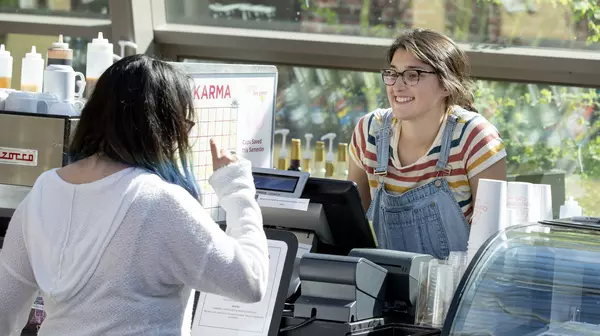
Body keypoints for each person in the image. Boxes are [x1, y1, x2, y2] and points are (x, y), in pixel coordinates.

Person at [0, 55, 269, 335]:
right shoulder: (160, 203)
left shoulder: (43, 193)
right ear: (162, 128)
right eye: (182, 126)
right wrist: (237, 190)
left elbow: (4, 308)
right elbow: (249, 280)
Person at [348, 28, 507, 259]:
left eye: (413, 75)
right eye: (393, 73)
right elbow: (348, 227)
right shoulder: (370, 131)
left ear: (445, 85)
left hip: (453, 290)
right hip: (378, 284)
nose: (397, 86)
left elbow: (492, 246)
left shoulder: (475, 138)